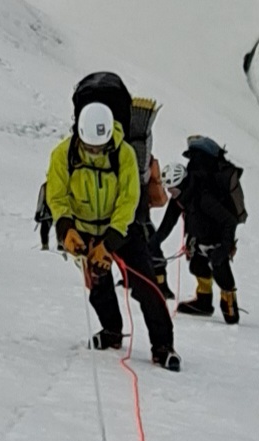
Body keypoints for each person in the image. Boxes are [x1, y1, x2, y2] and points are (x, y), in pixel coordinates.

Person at [45, 98, 181, 371]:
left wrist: (108, 244)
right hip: (83, 229)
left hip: (122, 230)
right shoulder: (63, 155)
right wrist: (66, 229)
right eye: (89, 146)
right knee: (98, 283)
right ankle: (111, 331)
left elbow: (128, 201)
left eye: (100, 146)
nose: (95, 151)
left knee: (146, 285)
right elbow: (57, 196)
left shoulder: (125, 154)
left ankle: (163, 345)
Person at [156, 135, 246, 324]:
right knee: (197, 264)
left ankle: (230, 306)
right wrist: (153, 243)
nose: (171, 194)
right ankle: (204, 302)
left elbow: (230, 221)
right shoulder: (181, 198)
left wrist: (225, 247)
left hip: (218, 240)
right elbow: (167, 225)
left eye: (173, 190)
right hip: (200, 239)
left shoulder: (203, 198)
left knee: (220, 269)